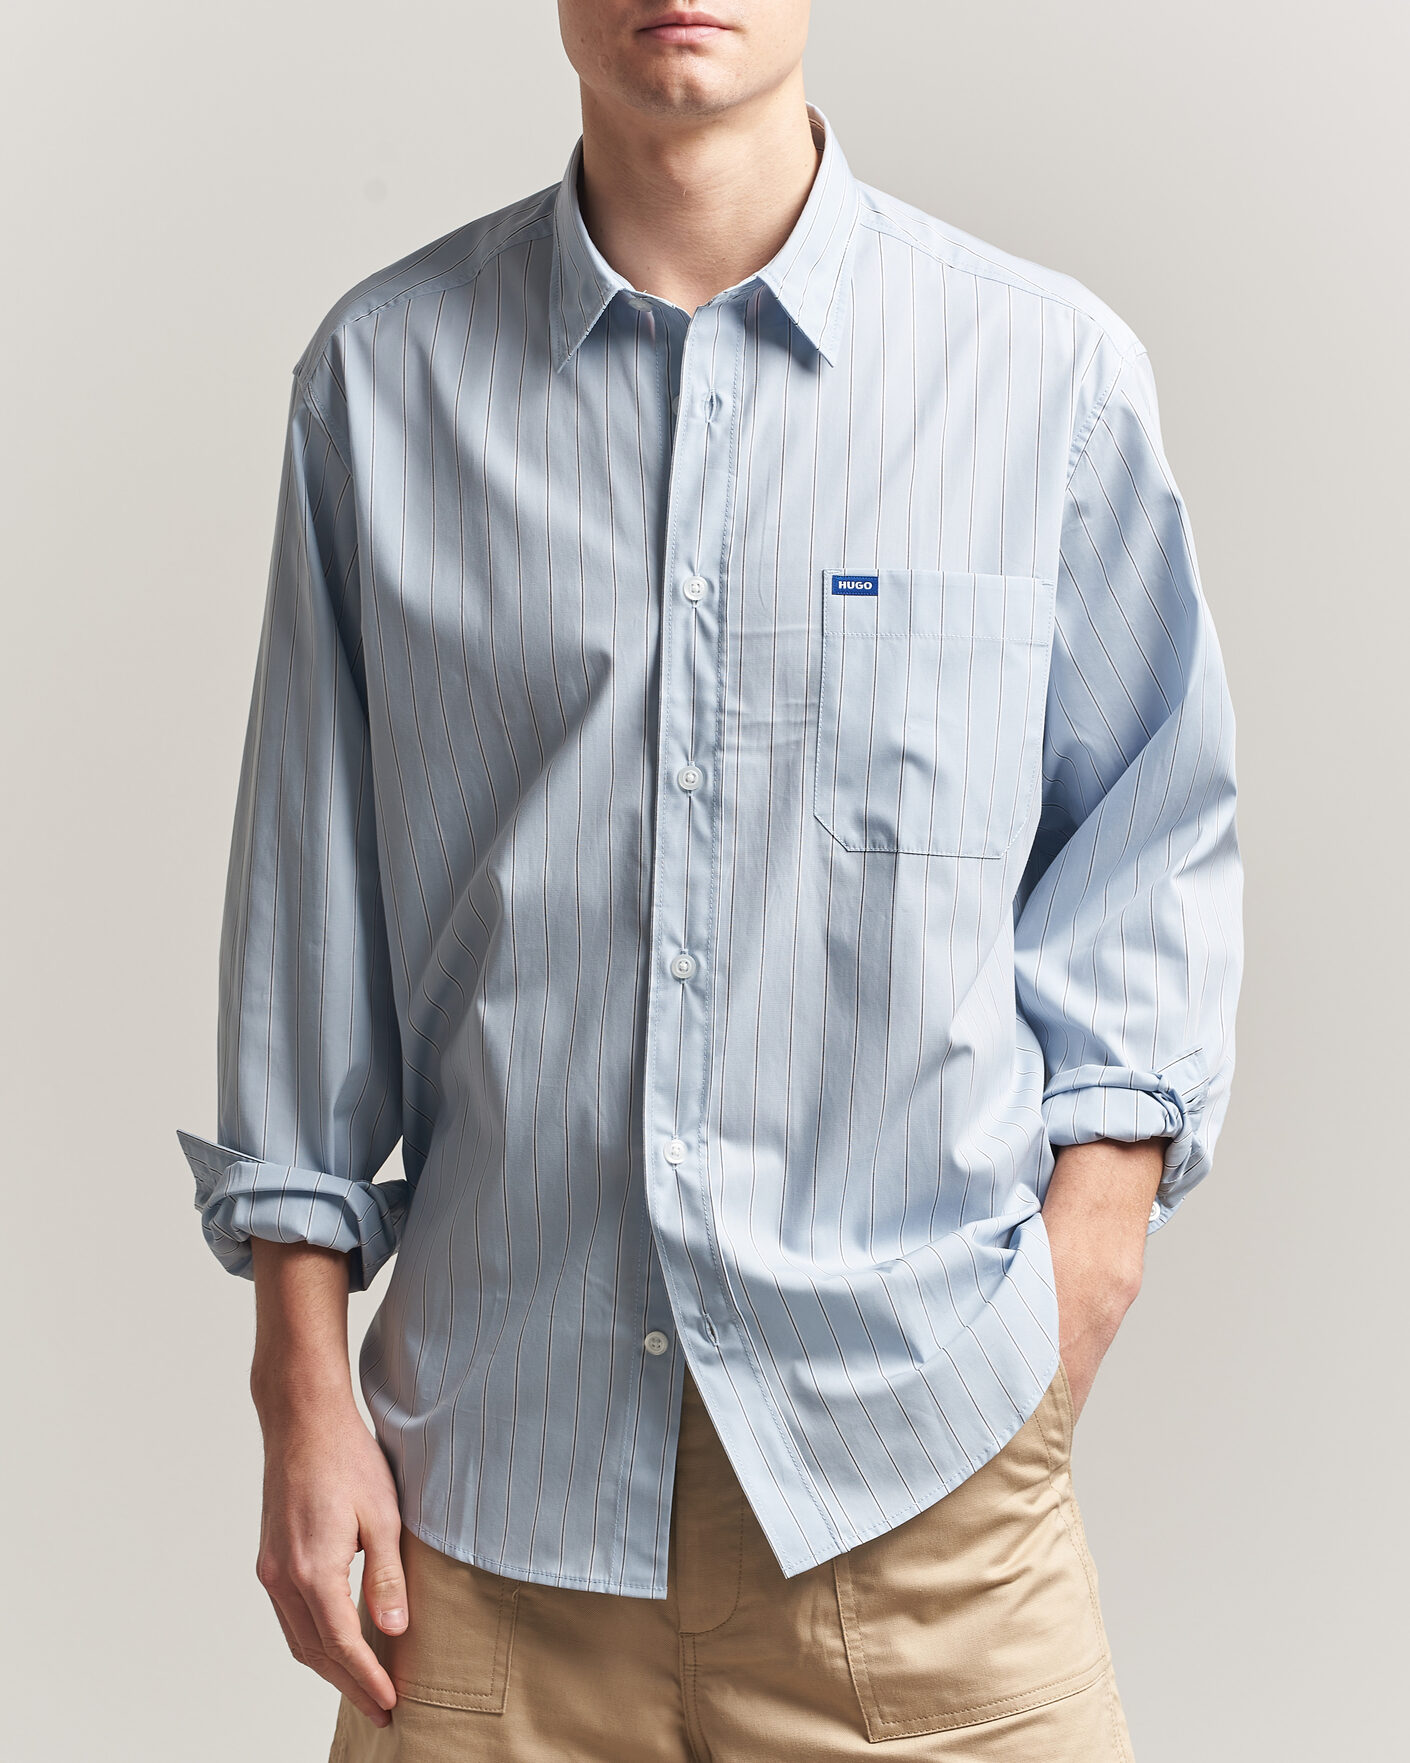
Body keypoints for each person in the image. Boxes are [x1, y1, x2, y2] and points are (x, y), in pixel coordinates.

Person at [176, 2, 1243, 1757]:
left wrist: (1076, 1278)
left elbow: (1150, 848)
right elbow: (310, 914)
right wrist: (300, 1393)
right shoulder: (383, 381)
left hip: (920, 1506)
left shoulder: (1041, 376)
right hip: (482, 1532)